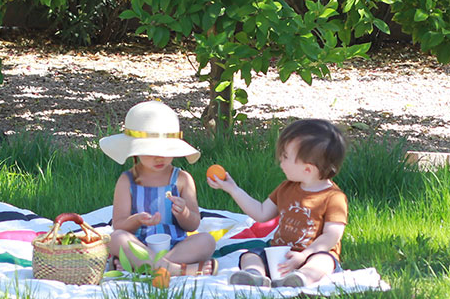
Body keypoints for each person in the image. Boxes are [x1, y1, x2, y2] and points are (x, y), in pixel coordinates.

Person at [209, 119, 347, 288]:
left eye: (285, 157)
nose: (280, 161)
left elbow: (331, 236)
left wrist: (304, 256)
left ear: (308, 169)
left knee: (323, 262)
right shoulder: (286, 188)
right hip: (279, 253)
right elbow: (261, 213)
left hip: (312, 254)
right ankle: (254, 274)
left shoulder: (333, 197)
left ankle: (302, 277)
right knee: (250, 256)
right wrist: (234, 189)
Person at [99, 101, 217, 276]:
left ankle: (146, 266)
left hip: (176, 246)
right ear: (135, 150)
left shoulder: (182, 180)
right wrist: (137, 220)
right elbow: (119, 225)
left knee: (207, 240)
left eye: (166, 151)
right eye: (150, 151)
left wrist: (183, 212)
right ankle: (175, 270)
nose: (159, 157)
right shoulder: (127, 181)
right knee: (116, 239)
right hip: (140, 245)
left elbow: (193, 223)